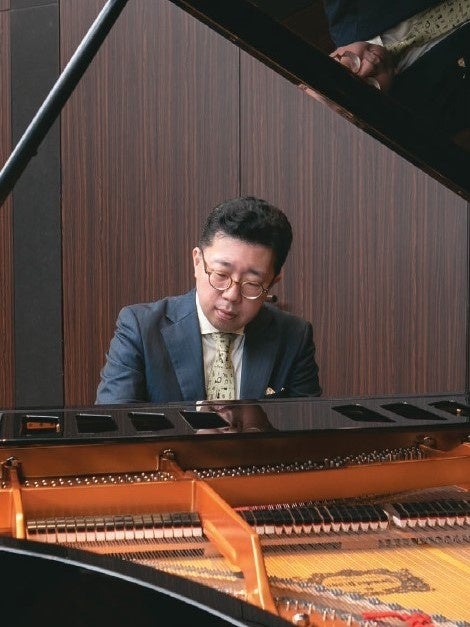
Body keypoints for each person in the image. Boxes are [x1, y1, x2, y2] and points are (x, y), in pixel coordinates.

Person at [96, 196, 321, 404]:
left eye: (252, 284)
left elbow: (306, 429)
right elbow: (116, 427)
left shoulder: (294, 337)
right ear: (197, 261)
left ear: (272, 282)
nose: (231, 295)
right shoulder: (141, 329)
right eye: (221, 275)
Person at [323, 0, 470, 146]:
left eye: (349, 68)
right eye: (369, 87)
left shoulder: (343, 8)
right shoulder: (433, 113)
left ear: (330, 56)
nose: (370, 66)